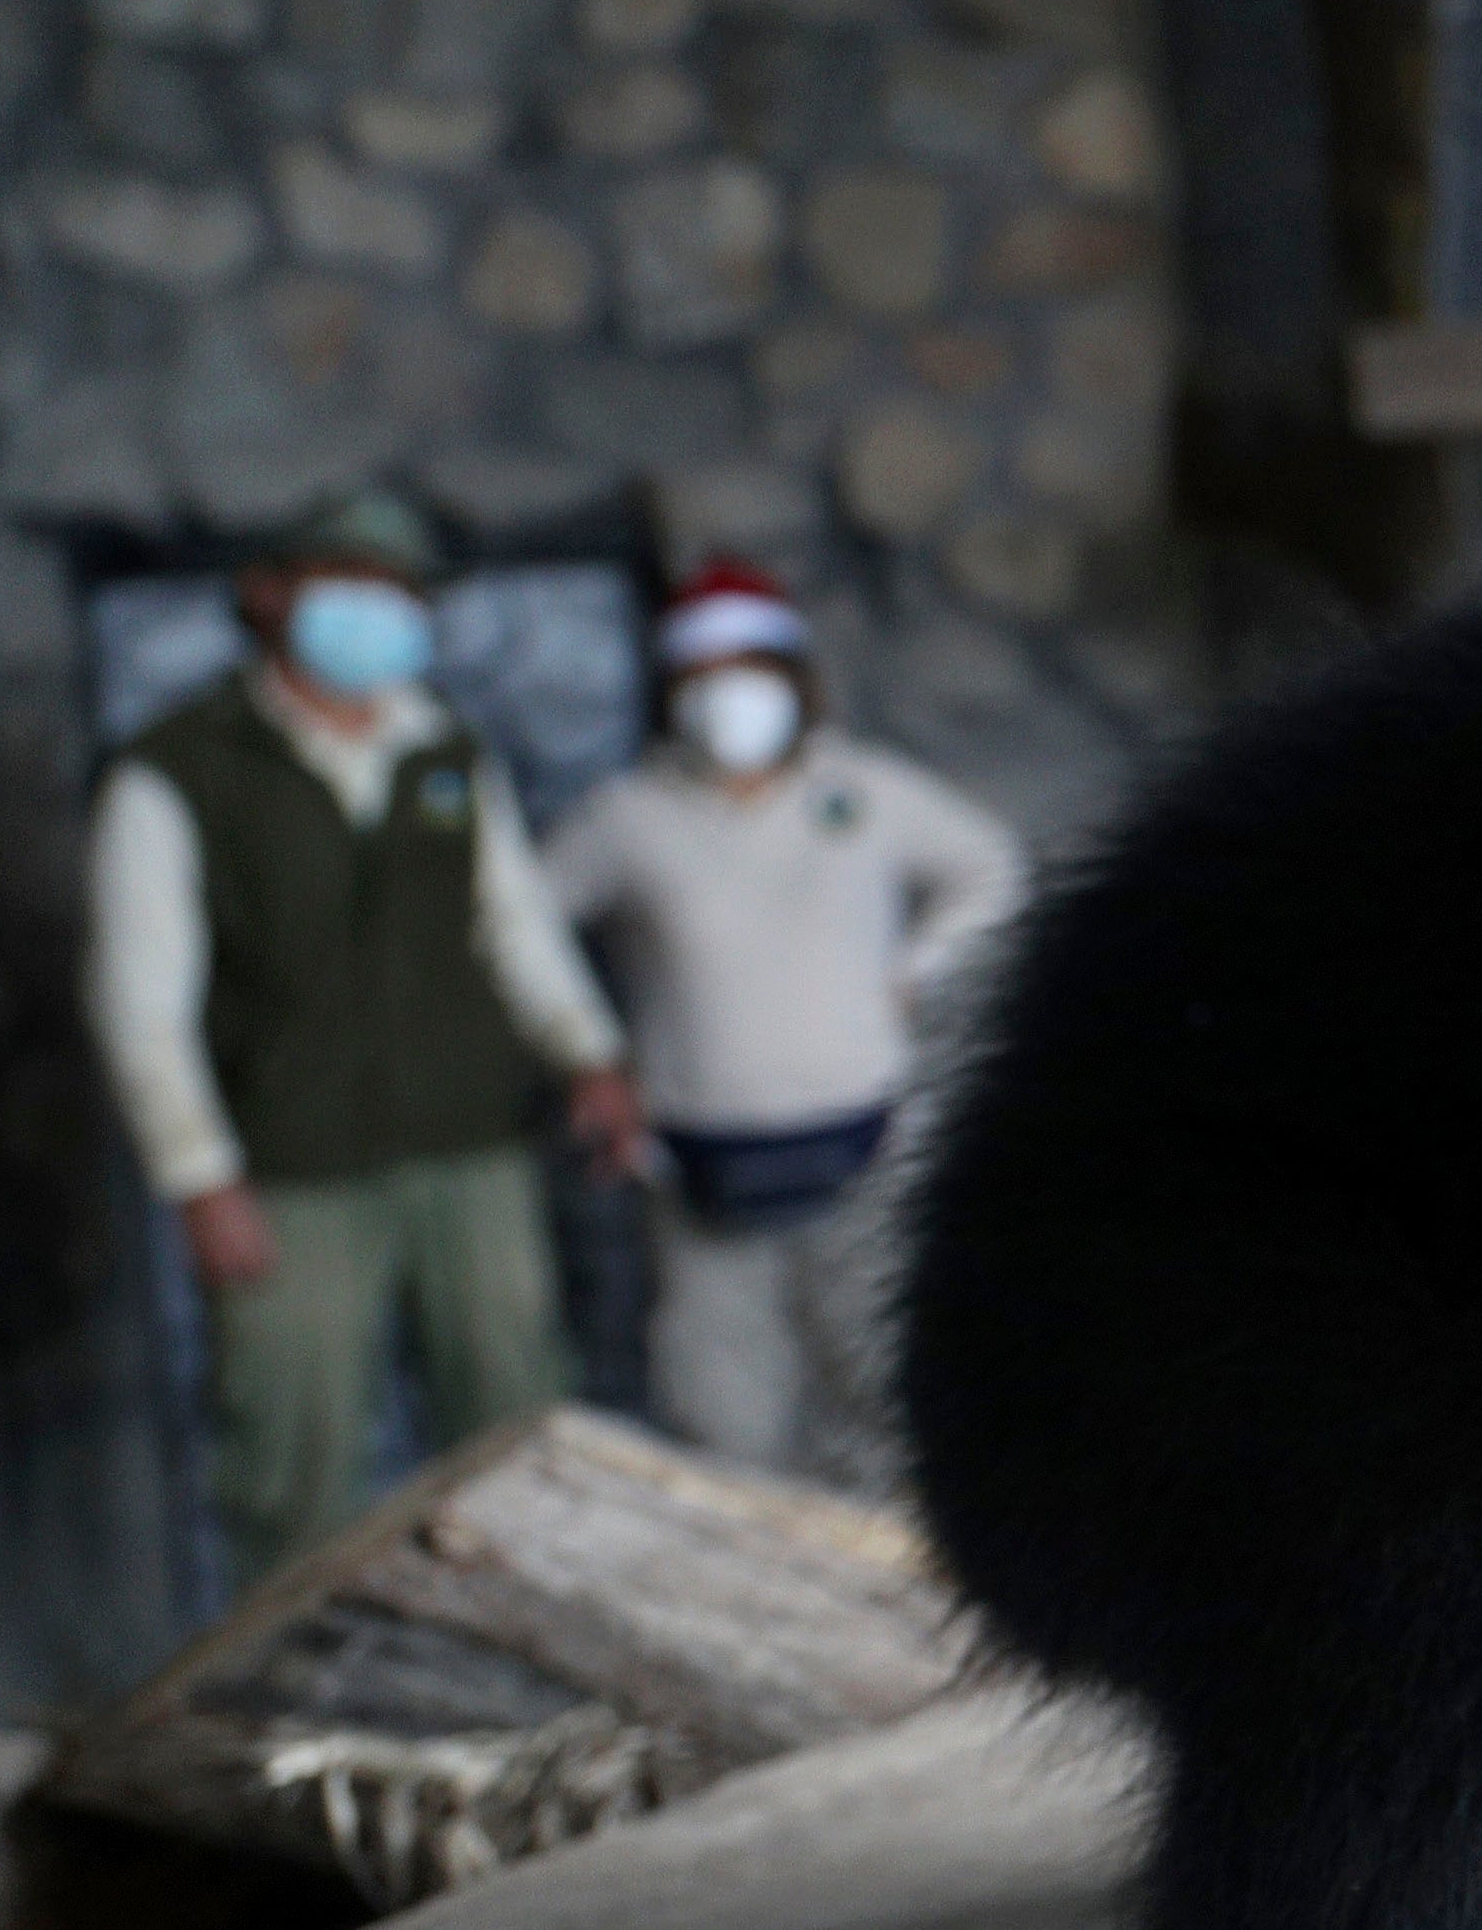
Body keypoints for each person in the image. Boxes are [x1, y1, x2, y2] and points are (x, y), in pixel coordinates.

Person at [85, 488, 644, 1591]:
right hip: (293, 1171)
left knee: (519, 1438)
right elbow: (138, 994)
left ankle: (539, 1692)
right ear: (269, 592)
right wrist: (198, 1176)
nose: (373, 612)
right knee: (290, 1467)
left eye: (395, 592)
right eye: (346, 583)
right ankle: (289, 1728)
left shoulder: (442, 750)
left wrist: (590, 1053)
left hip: (468, 1145)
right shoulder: (178, 769)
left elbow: (515, 922)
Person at [546, 559, 1024, 1490]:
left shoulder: (866, 791)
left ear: (794, 675)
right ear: (671, 686)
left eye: (750, 664)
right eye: (704, 669)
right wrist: (588, 1056)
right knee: (722, 1416)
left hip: (865, 1151)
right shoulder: (628, 816)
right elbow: (521, 921)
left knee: (891, 1398)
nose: (730, 691)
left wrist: (914, 968)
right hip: (700, 1172)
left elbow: (992, 865)